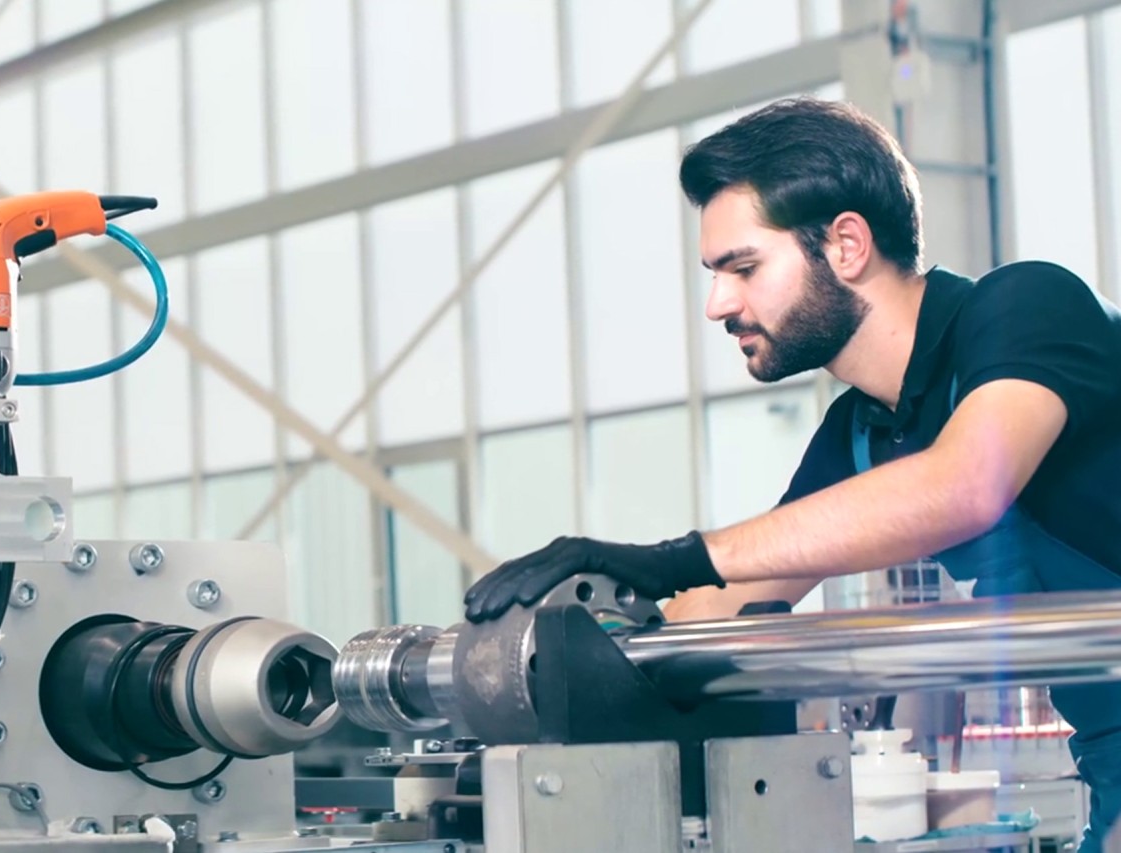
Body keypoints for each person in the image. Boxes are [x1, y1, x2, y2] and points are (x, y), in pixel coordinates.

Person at [461, 96, 1121, 851]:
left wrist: (673, 555)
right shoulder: (864, 431)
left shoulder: (1029, 305)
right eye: (715, 273)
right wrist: (552, 653)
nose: (717, 304)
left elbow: (966, 486)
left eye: (743, 267)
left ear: (845, 245)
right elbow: (727, 603)